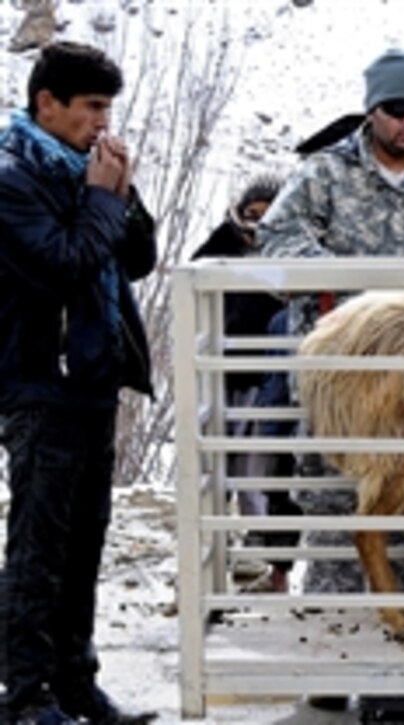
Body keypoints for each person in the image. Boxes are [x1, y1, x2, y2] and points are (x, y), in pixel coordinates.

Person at [257, 47, 404, 711]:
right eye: (399, 109)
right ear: (373, 110)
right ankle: (331, 668)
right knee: (337, 520)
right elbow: (276, 241)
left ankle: (394, 669)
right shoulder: (324, 177)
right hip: (344, 387)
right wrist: (355, 288)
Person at [0, 41, 157, 724]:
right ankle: (26, 690)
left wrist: (123, 192)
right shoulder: (12, 178)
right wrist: (100, 199)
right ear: (47, 105)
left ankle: (75, 680)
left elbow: (139, 257)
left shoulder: (84, 170)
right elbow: (62, 263)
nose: (102, 122)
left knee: (84, 540)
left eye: (107, 108)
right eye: (91, 107)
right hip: (40, 381)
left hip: (92, 379)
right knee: (39, 546)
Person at [190, 175, 302, 594]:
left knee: (265, 479)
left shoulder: (293, 255)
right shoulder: (220, 255)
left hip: (268, 383)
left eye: (268, 215)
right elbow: (196, 278)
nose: (258, 225)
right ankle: (214, 573)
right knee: (216, 474)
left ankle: (274, 572)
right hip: (223, 381)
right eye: (251, 214)